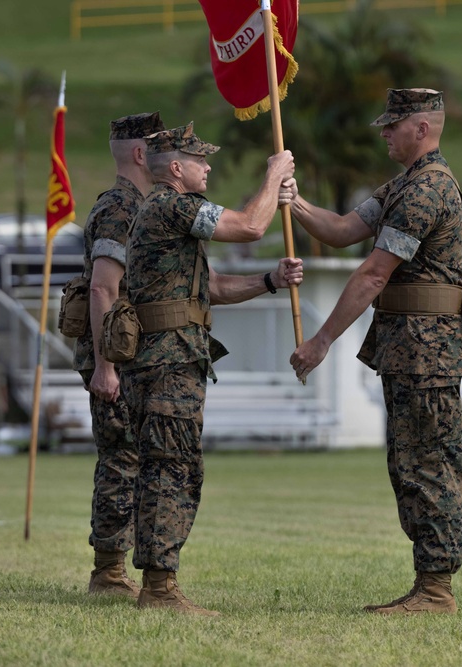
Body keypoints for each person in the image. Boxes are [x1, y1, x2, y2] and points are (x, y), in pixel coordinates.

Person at [283, 89, 462, 615]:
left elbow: (373, 273)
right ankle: (428, 586)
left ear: (421, 129)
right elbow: (343, 230)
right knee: (410, 462)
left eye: (393, 126)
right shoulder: (404, 185)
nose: (384, 133)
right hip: (409, 349)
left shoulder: (426, 189)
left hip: (426, 351)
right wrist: (291, 200)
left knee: (428, 463)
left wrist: (321, 341)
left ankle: (436, 590)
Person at [120, 122, 301, 615]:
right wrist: (274, 173)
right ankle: (159, 589)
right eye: (201, 161)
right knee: (170, 469)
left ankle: (160, 582)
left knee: (174, 466)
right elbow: (249, 226)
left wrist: (268, 280)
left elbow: (213, 288)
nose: (209, 167)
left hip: (171, 358)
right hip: (166, 363)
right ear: (175, 168)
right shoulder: (170, 205)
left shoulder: (167, 214)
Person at [73, 112, 165, 599]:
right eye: (157, 146)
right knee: (121, 459)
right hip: (115, 360)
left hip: (128, 356)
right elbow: (102, 288)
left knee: (128, 456)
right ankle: (107, 574)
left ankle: (114, 570)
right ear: (138, 153)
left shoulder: (136, 204)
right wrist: (106, 366)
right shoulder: (120, 208)